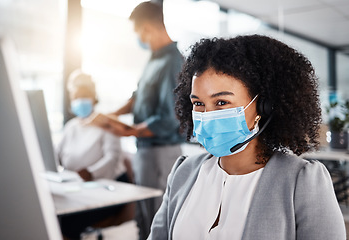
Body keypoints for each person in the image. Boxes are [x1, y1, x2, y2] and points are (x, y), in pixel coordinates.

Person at [148, 35, 346, 240]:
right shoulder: (184, 172)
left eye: (222, 103)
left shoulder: (303, 180)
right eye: (198, 103)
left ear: (262, 107)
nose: (207, 116)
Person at [108, 2, 184, 239]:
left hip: (161, 153)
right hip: (145, 151)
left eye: (138, 32)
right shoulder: (153, 59)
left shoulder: (174, 62)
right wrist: (112, 116)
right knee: (143, 220)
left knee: (157, 222)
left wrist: (131, 132)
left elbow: (170, 117)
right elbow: (137, 97)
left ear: (149, 27)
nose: (138, 38)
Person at [56, 69, 130, 240]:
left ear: (93, 97)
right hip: (77, 190)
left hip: (107, 191)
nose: (80, 100)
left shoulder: (105, 124)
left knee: (68, 222)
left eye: (85, 95)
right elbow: (56, 154)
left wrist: (90, 173)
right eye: (76, 96)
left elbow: (112, 159)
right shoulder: (71, 127)